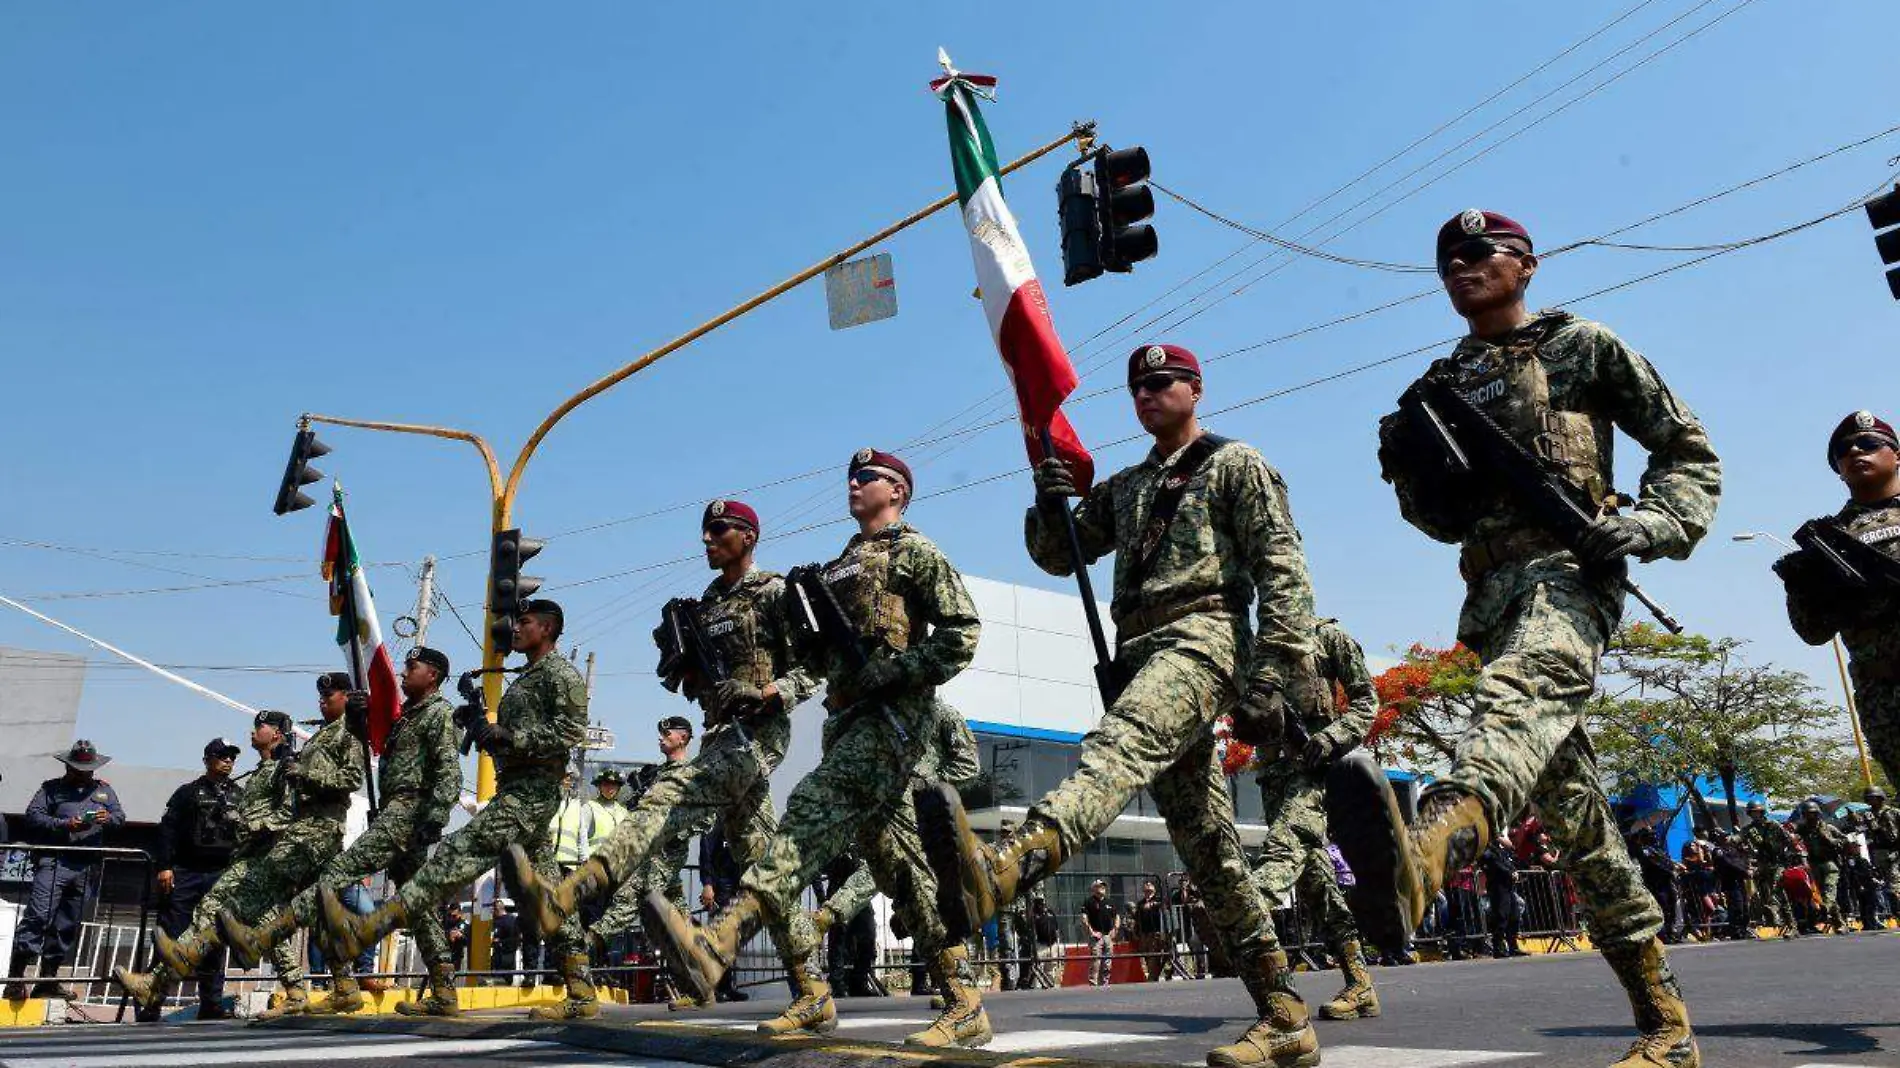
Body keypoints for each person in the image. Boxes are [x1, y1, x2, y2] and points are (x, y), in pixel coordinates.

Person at [919, 343, 1327, 1067]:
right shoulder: (1130, 484)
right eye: (1138, 387)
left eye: (1163, 382)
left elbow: (1284, 572)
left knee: (1116, 747)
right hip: (1137, 651)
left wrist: (1273, 678)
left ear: (1196, 389)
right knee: (1210, 854)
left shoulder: (1236, 464)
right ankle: (1284, 1012)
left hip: (1203, 638)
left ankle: (1009, 867)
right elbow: (1058, 551)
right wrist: (1050, 501)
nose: (1148, 394)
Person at [1375, 209, 1719, 1068]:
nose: (1461, 266)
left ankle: (1439, 836)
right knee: (1577, 819)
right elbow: (1434, 518)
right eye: (1447, 258)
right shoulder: (1438, 383)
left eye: (1480, 253)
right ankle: (1665, 1023)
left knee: (1523, 690)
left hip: (1571, 575)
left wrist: (1649, 524)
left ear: (1527, 265)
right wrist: (1414, 470)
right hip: (1489, 595)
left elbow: (1686, 450)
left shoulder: (1583, 346)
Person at [639, 450, 986, 1048]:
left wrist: (899, 671)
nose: (854, 484)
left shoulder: (916, 553)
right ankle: (962, 1001)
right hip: (846, 725)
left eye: (867, 477)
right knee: (900, 872)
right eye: (852, 478)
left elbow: (962, 633)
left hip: (891, 724)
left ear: (897, 491)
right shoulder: (837, 568)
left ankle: (717, 944)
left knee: (804, 815)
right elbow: (815, 663)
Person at [508, 502, 819, 1023]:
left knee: (665, 796)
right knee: (764, 863)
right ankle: (811, 989)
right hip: (721, 736)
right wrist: (688, 674)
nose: (706, 539)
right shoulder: (706, 605)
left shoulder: (775, 592)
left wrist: (773, 691)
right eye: (704, 531)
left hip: (759, 736)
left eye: (718, 530)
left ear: (748, 536)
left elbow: (815, 663)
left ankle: (571, 890)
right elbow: (700, 680)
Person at [315, 599, 590, 1020]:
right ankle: (577, 989)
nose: (516, 628)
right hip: (512, 788)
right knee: (546, 896)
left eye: (526, 622)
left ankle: (359, 960)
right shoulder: (522, 676)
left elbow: (570, 729)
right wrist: (484, 727)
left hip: (530, 794)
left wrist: (507, 738)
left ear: (548, 628)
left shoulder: (559, 674)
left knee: (449, 860)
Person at [219, 648, 463, 1016]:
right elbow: (378, 750)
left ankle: (266, 938)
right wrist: (360, 720)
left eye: (412, 668)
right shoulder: (407, 717)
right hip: (395, 810)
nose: (402, 673)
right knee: (420, 907)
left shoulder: (438, 714)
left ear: (434, 675)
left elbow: (449, 771)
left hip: (407, 814)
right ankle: (443, 992)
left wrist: (436, 817)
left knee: (334, 878)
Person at [115, 698, 362, 1020]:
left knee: (214, 908)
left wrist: (248, 825)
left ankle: (157, 984)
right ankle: (299, 991)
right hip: (250, 855)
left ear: (276, 734)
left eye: (259, 726)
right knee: (260, 921)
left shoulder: (285, 770)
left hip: (265, 856)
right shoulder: (263, 770)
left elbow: (290, 815)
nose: (252, 732)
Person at [1252, 617, 1381, 1019]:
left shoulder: (1329, 638)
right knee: (1315, 884)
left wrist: (1330, 738)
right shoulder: (1259, 647)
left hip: (1313, 771)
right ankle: (1360, 983)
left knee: (1285, 845)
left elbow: (1366, 701)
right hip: (1273, 778)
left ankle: (1250, 905)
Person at [1778, 412, 1900, 797]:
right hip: (1886, 696)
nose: (1854, 451)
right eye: (1843, 450)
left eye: (1869, 443)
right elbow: (1812, 632)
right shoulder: (1829, 541)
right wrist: (1804, 585)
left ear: (1897, 455)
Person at [4, 741, 126, 1002]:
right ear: (68, 766)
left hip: (87, 864)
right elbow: (33, 817)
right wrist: (65, 824)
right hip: (55, 860)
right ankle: (15, 979)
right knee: (38, 916)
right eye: (78, 768)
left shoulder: (105, 790)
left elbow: (120, 818)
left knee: (67, 924)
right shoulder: (51, 789)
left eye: (88, 768)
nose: (83, 773)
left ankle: (47, 980)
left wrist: (108, 818)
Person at [145, 737, 242, 1020]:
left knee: (213, 937)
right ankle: (152, 1000)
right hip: (186, 872)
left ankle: (210, 1003)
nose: (228, 761)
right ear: (207, 760)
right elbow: (167, 831)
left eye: (232, 757)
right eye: (222, 755)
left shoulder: (240, 794)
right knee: (171, 935)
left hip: (220, 874)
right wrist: (165, 866)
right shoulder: (187, 793)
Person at [1739, 801, 1797, 937]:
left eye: (1757, 811)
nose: (1755, 814)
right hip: (1763, 865)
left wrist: (1789, 854)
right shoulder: (1749, 829)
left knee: (1777, 888)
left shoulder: (1774, 825)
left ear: (1762, 812)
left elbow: (1788, 840)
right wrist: (1731, 839)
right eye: (1752, 812)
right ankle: (1788, 923)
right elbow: (1739, 836)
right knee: (1773, 894)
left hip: (1777, 863)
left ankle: (1778, 915)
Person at [1793, 802, 1848, 934]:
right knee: (1821, 894)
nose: (1810, 816)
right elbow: (1793, 838)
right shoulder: (1802, 829)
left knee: (1830, 889)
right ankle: (1838, 923)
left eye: (1813, 813)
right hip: (1813, 864)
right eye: (1808, 814)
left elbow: (1845, 840)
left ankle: (1828, 912)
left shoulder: (1828, 828)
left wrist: (1833, 842)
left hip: (1829, 863)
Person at [994, 820, 1030, 990]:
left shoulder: (1024, 850)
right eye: (1002, 833)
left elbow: (1034, 872)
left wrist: (1039, 899)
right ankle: (1008, 980)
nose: (1005, 836)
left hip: (1022, 903)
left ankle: (1025, 977)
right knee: (1006, 943)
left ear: (1014, 833)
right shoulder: (994, 850)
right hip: (1004, 904)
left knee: (1028, 939)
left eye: (1008, 832)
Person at [1481, 838, 1525, 957]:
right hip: (1498, 887)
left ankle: (1513, 947)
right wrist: (1509, 873)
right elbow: (1495, 864)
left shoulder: (1499, 849)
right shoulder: (1486, 851)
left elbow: (1507, 862)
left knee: (1514, 916)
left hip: (1508, 887)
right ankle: (1498, 947)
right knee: (1501, 917)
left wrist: (1513, 871)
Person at [1864, 787, 1900, 916]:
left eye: (1873, 797)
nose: (1871, 800)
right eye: (1868, 798)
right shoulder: (1867, 815)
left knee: (1894, 883)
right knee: (1887, 884)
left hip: (1894, 849)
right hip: (1879, 852)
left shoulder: (1893, 812)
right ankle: (1896, 910)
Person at [1083, 880, 1118, 987]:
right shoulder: (1089, 902)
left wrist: (1115, 929)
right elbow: (1084, 918)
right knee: (1096, 960)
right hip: (1096, 936)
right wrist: (1091, 932)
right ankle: (1093, 983)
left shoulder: (1110, 902)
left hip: (1108, 935)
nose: (1102, 888)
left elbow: (1116, 917)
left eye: (1103, 886)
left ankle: (1105, 983)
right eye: (1099, 886)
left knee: (1108, 961)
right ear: (1094, 888)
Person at [1133, 879, 1168, 982]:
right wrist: (1136, 932)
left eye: (1150, 885)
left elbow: (1164, 912)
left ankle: (1152, 977)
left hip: (1155, 933)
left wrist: (1154, 906)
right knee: (1146, 956)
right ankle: (1152, 976)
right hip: (1144, 933)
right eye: (1146, 886)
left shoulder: (1159, 900)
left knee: (1154, 956)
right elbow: (1137, 919)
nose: (1147, 886)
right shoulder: (1140, 903)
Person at [491, 901, 520, 986]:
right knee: (495, 981)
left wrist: (500, 942)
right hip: (496, 957)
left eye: (493, 910)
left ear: (497, 909)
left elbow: (514, 939)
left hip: (506, 956)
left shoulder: (510, 920)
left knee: (505, 982)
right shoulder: (495, 921)